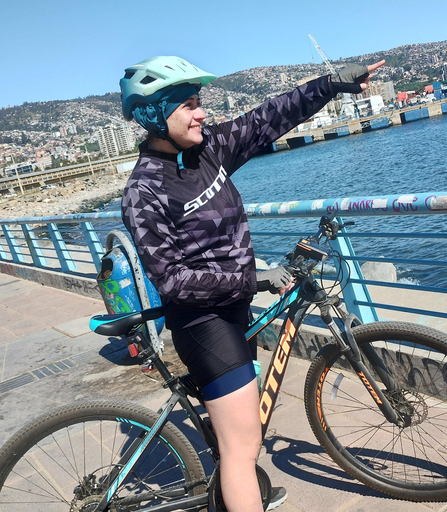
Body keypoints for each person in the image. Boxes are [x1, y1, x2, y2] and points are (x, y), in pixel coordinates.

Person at [121, 55, 384, 512]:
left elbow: (271, 116)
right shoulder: (143, 192)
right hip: (203, 322)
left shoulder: (210, 150)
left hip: (235, 309)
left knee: (237, 434)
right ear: (153, 114)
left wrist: (332, 84)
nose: (200, 112)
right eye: (187, 105)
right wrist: (252, 278)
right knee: (243, 451)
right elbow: (173, 281)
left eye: (198, 102)